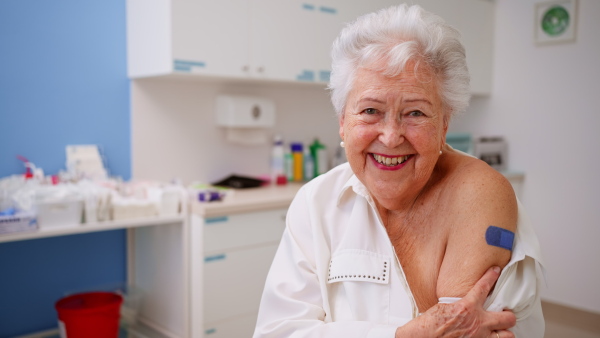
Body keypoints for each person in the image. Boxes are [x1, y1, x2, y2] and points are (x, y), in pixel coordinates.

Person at [254, 4, 544, 338]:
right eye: (370, 110)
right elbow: (276, 332)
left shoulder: (481, 196)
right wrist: (404, 336)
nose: (391, 137)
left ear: (444, 125)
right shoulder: (315, 203)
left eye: (415, 113)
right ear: (343, 122)